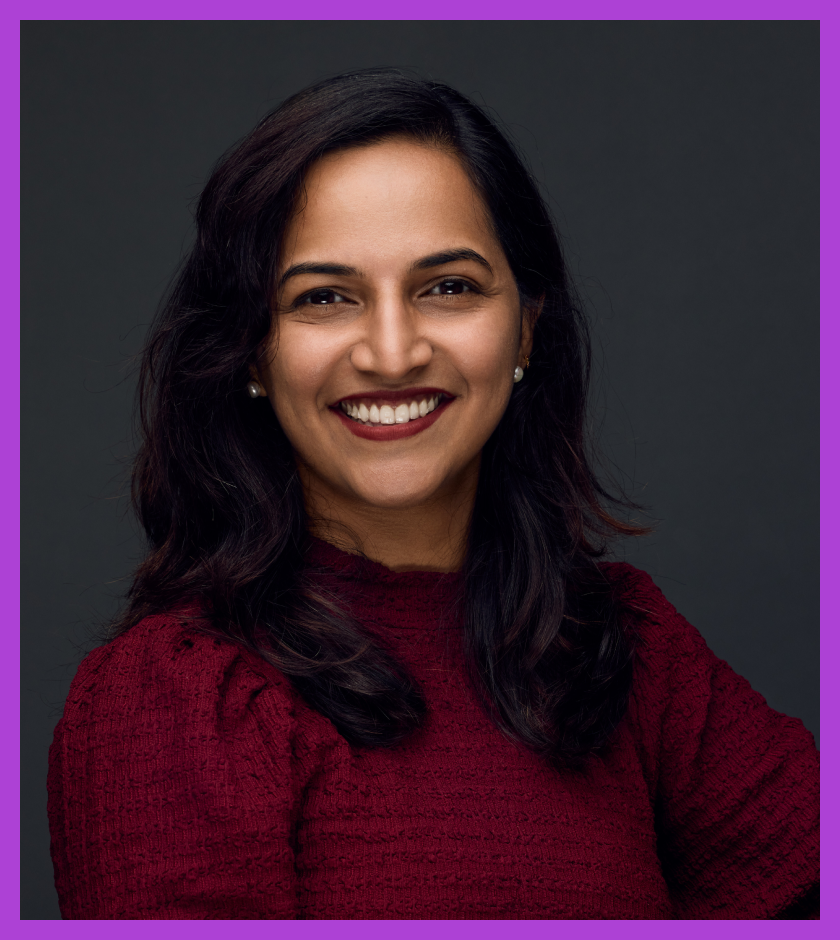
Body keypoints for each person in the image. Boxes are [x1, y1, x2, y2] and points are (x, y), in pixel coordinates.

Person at [47, 68, 819, 920]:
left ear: (525, 327)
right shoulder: (178, 698)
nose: (392, 352)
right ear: (252, 352)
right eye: (324, 297)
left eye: (448, 287)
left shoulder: (622, 651)